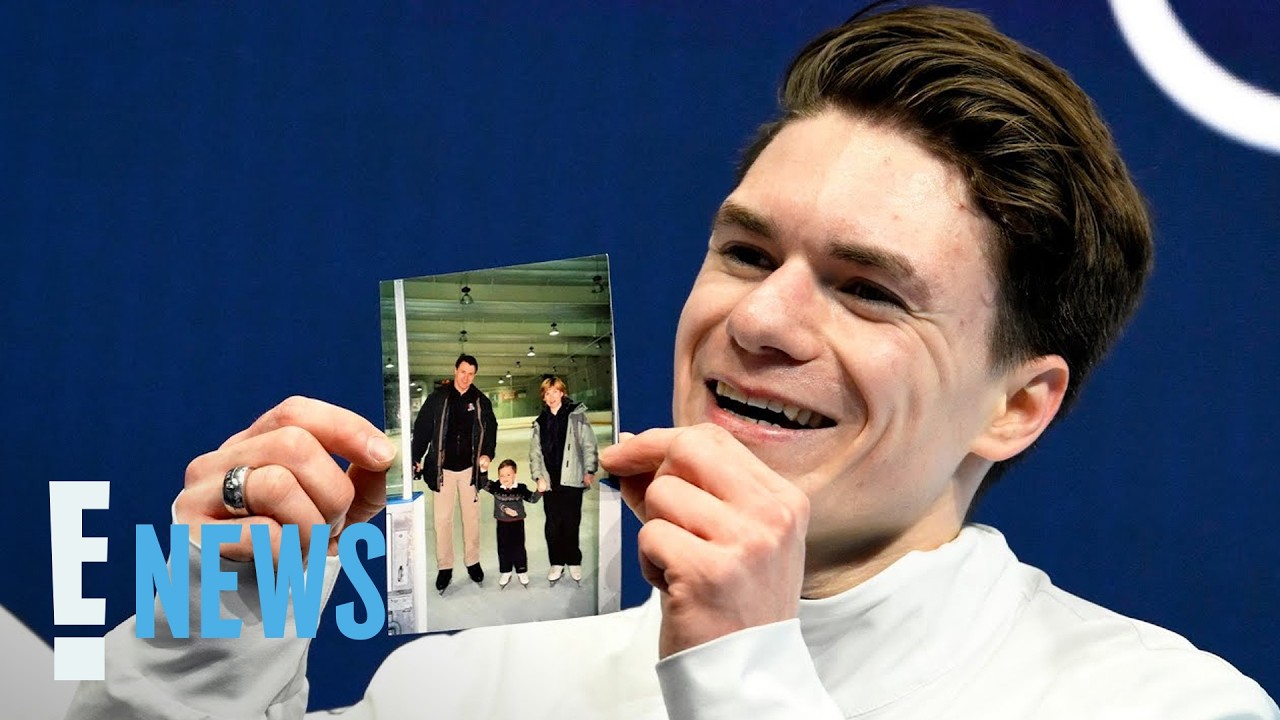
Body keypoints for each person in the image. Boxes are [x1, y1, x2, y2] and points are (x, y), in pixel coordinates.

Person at [68, 5, 1278, 719]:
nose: (761, 324)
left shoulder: (1155, 706)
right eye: (747, 253)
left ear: (1016, 406)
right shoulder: (474, 675)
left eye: (867, 290)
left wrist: (739, 667)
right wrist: (211, 618)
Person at [410, 353, 498, 594]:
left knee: (471, 519)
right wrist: (416, 456)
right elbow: (423, 429)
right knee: (442, 521)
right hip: (443, 471)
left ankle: (472, 562)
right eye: (463, 372)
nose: (466, 378)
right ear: (455, 370)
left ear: (474, 375)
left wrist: (487, 454)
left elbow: (491, 429)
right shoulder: (438, 398)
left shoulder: (480, 400)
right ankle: (445, 567)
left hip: (470, 471)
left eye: (471, 374)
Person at [528, 376, 599, 584]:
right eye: (547, 393)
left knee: (571, 523)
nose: (551, 397)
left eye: (554, 392)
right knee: (552, 525)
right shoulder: (540, 421)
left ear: (562, 393)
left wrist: (589, 469)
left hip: (572, 479)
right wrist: (538, 476)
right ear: (544, 397)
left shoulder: (576, 416)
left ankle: (573, 561)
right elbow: (535, 452)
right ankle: (557, 562)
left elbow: (589, 444)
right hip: (550, 482)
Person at [482, 458, 542, 588]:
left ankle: (521, 570)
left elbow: (532, 499)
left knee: (518, 547)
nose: (505, 478)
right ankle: (506, 570)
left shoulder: (520, 488)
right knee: (503, 548)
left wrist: (540, 490)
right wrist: (483, 470)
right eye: (502, 475)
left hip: (517, 524)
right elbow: (482, 483)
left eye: (508, 474)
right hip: (502, 523)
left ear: (515, 474)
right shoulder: (496, 487)